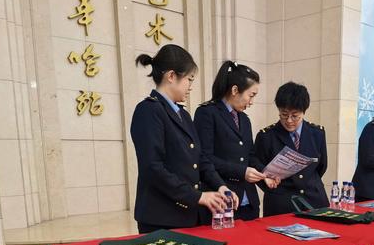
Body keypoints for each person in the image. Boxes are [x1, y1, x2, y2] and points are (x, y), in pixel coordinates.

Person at [131, 44, 238, 234]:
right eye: (189, 79)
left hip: (188, 215)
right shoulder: (148, 110)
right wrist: (198, 196)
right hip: (161, 219)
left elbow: (200, 159)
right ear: (171, 76)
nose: (191, 86)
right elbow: (153, 168)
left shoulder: (184, 115)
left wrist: (220, 186)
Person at [194, 61, 277, 221]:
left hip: (248, 202)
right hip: (221, 202)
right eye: (251, 95)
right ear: (234, 90)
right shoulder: (207, 113)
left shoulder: (244, 119)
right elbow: (205, 157)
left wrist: (265, 173)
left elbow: (250, 156)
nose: (251, 102)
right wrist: (242, 172)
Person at [254, 82, 329, 216]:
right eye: (284, 114)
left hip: (314, 199)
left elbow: (321, 167)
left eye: (295, 116)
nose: (289, 120)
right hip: (281, 203)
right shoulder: (266, 136)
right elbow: (256, 165)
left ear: (303, 112)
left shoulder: (317, 133)